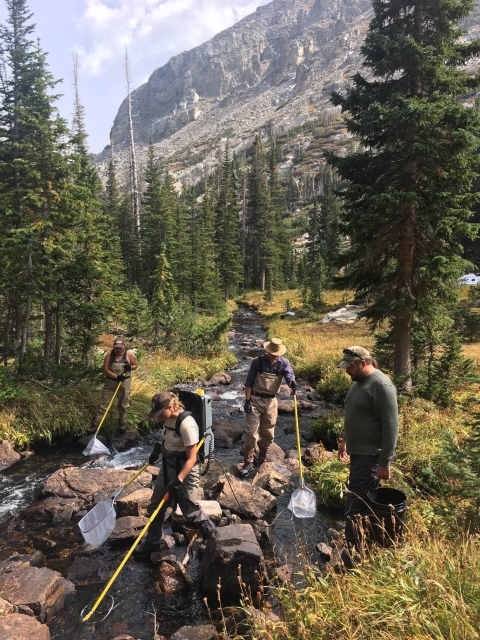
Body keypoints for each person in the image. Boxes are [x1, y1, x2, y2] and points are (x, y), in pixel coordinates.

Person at [133, 391, 215, 560]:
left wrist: (178, 480)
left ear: (170, 407)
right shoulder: (167, 418)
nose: (158, 417)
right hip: (168, 465)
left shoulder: (187, 424)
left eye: (160, 413)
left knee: (188, 509)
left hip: (186, 469)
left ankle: (211, 534)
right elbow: (168, 439)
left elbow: (192, 459)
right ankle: (152, 543)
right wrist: (158, 449)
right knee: (156, 506)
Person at [337, 346, 399, 551]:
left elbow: (391, 426)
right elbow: (356, 414)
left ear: (363, 363)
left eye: (350, 367)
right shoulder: (359, 382)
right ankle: (365, 544)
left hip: (371, 457)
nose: (347, 371)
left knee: (355, 505)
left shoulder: (381, 385)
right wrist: (345, 440)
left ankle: (354, 552)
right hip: (359, 453)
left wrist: (385, 462)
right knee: (362, 502)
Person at [240, 338, 296, 477]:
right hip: (255, 399)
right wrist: (247, 401)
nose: (276, 355)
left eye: (277, 353)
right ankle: (248, 463)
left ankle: (262, 460)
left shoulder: (284, 363)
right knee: (251, 433)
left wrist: (292, 384)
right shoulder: (257, 362)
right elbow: (249, 382)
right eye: (273, 352)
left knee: (268, 434)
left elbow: (289, 375)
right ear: (268, 351)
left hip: (271, 401)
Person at [88, 337, 137, 434]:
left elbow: (135, 365)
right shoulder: (109, 355)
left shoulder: (129, 354)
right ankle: (95, 425)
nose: (118, 349)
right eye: (116, 348)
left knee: (123, 405)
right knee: (103, 405)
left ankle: (122, 423)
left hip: (124, 384)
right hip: (110, 383)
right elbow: (106, 369)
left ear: (124, 346)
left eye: (120, 348)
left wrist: (130, 367)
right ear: (114, 347)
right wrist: (116, 376)